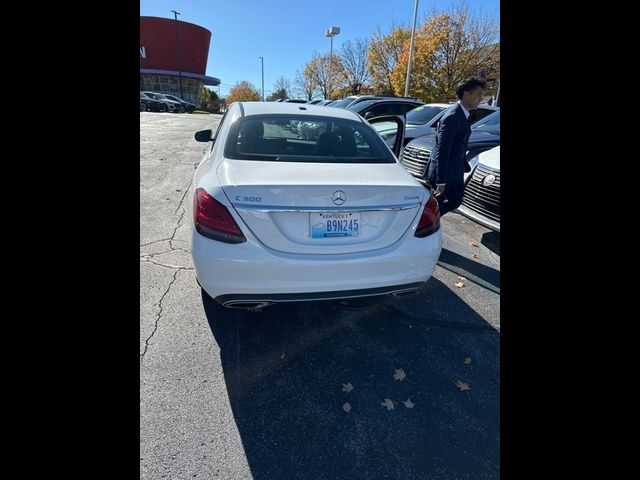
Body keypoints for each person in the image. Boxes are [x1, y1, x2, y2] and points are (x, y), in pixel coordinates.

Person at [426, 77, 487, 216]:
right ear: (466, 94)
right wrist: (441, 181)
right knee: (435, 209)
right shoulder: (453, 116)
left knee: (453, 201)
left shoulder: (462, 114)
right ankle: (421, 229)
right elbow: (442, 149)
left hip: (454, 170)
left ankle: (426, 226)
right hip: (446, 173)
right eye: (478, 94)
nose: (481, 99)